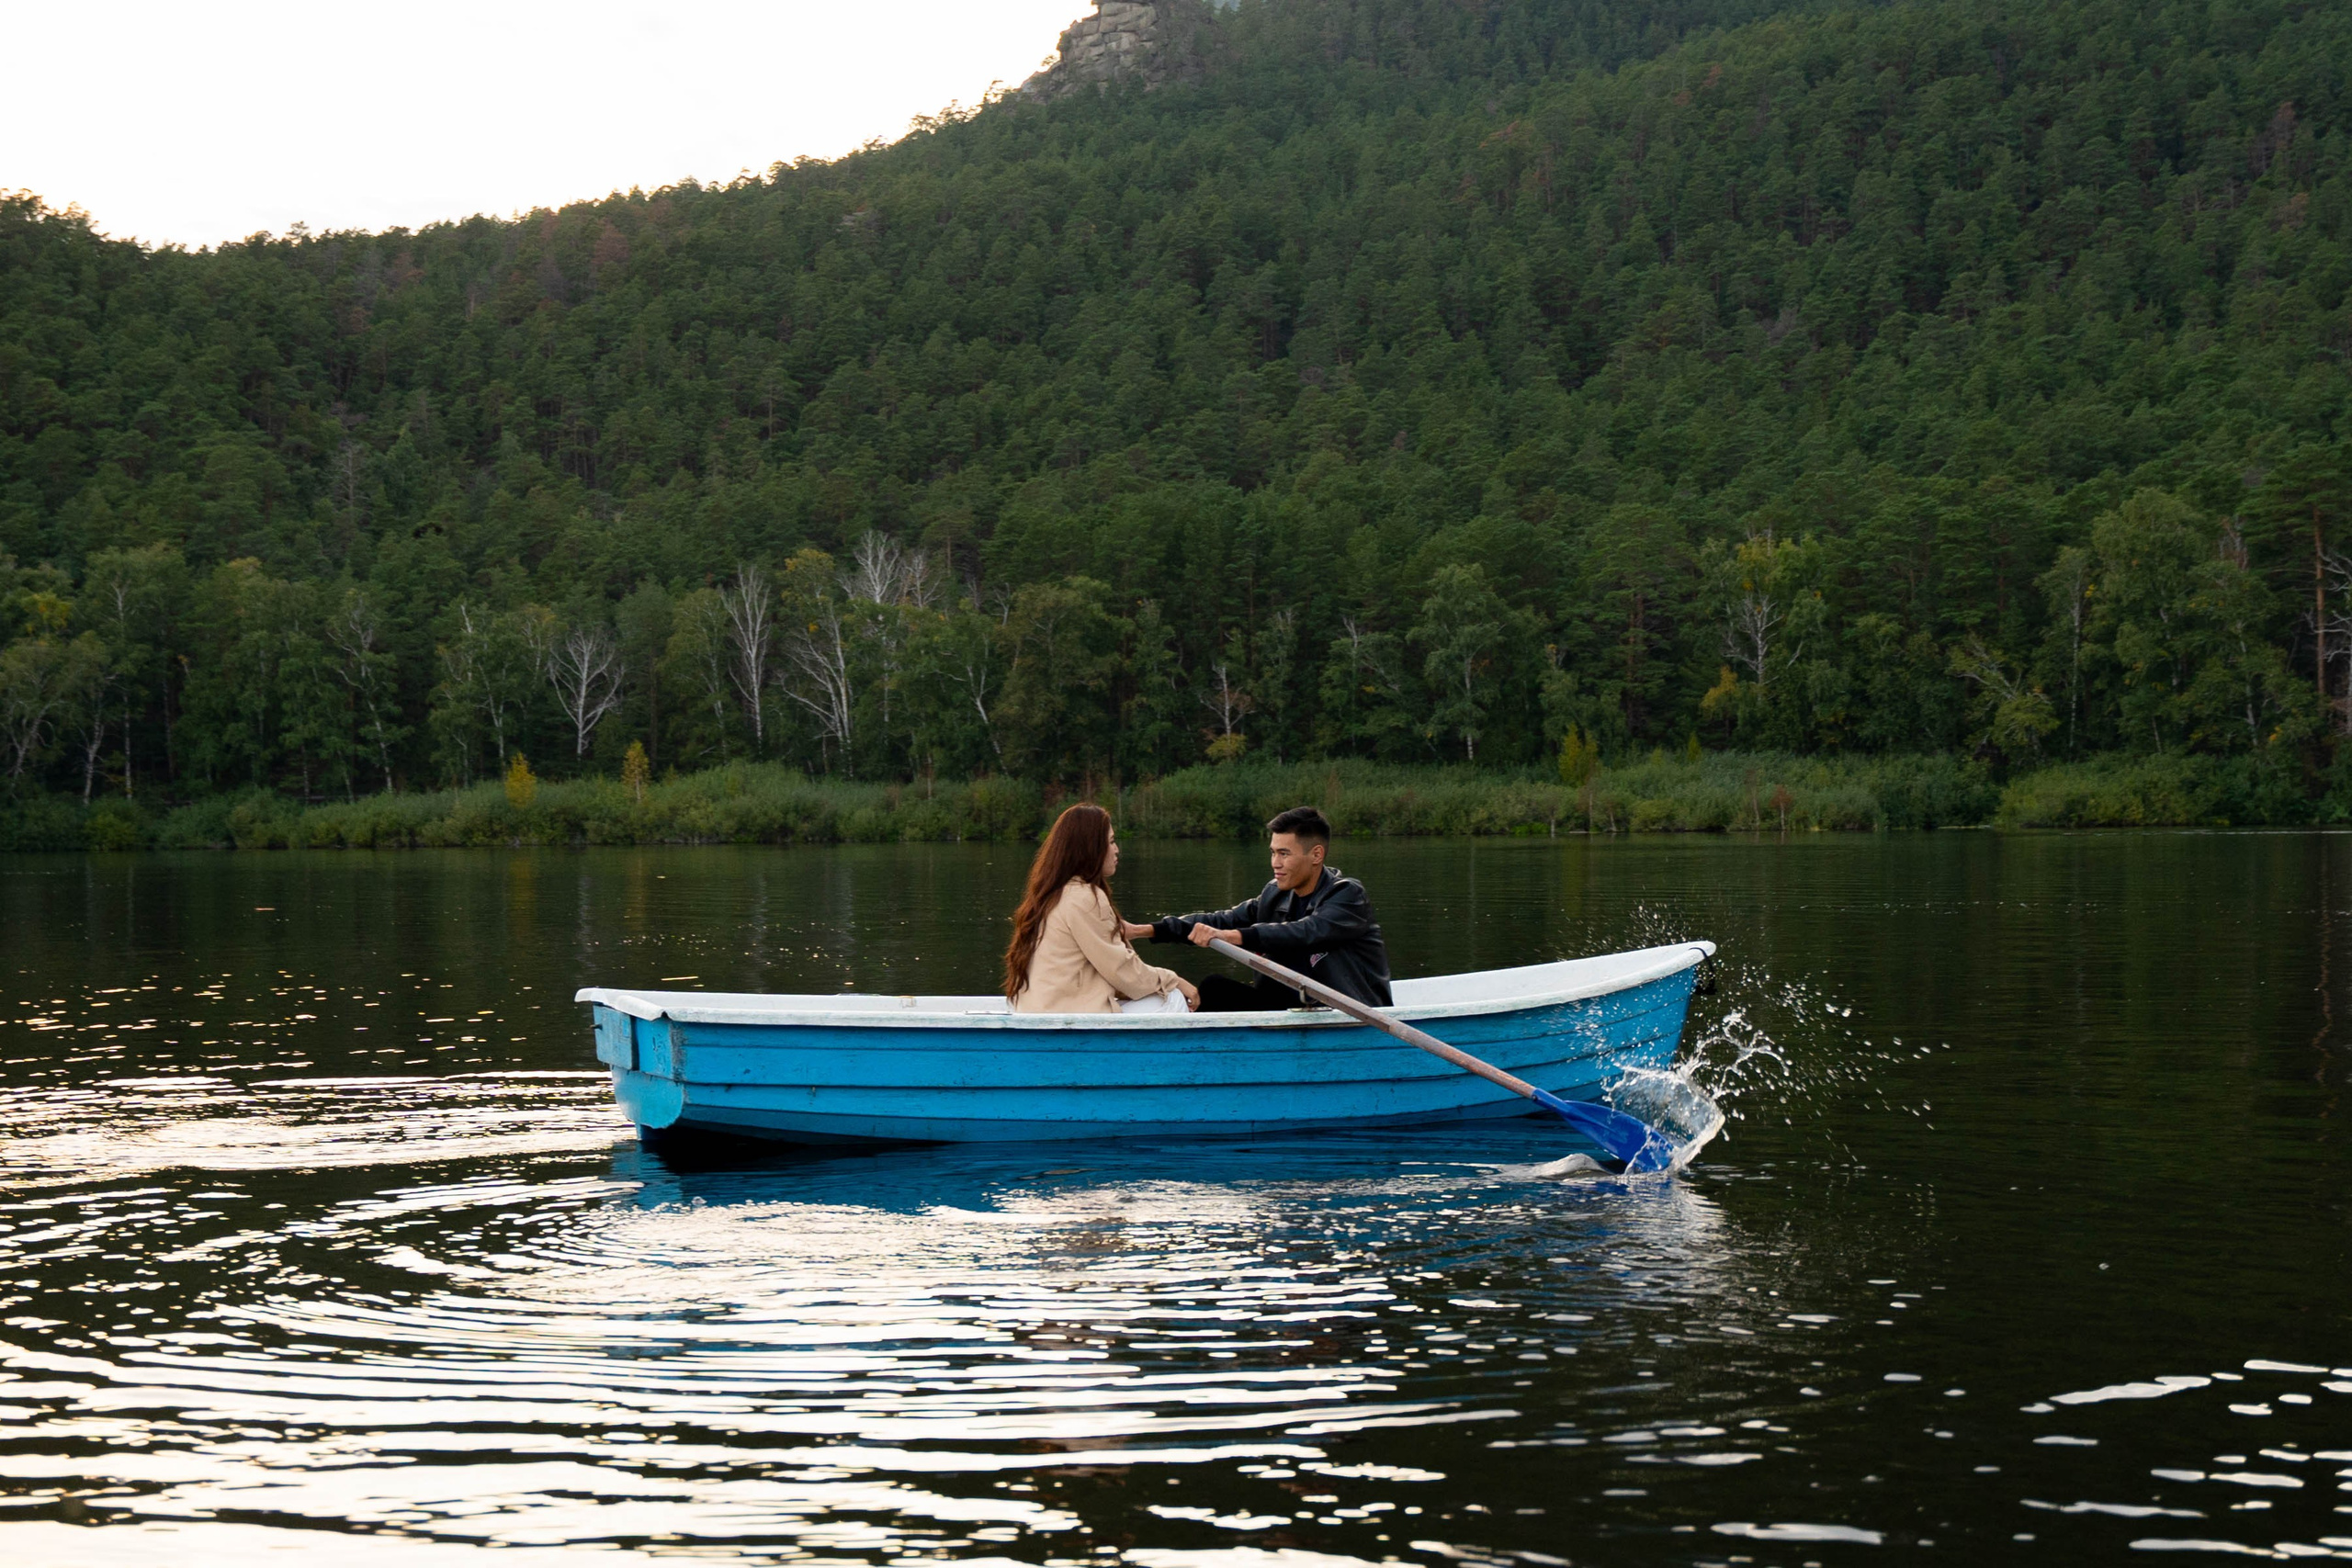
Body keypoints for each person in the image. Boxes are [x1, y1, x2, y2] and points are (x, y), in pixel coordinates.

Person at [1122, 806, 1392, 1011]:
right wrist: (1144, 930)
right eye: (1273, 852)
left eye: (1284, 853)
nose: (1275, 863)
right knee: (1215, 989)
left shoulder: (1346, 895)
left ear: (1316, 855)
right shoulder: (1275, 894)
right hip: (1291, 1007)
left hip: (1349, 1012)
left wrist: (1236, 937)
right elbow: (1223, 919)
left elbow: (1307, 931)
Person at [1005, 803, 1202, 1014]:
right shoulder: (1084, 898)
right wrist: (1174, 980)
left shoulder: (1052, 893)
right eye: (1111, 841)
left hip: (1040, 1009)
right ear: (1091, 848)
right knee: (1173, 998)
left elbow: (1120, 977)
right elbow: (1122, 971)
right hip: (1068, 1015)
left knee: (1159, 991)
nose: (1116, 849)